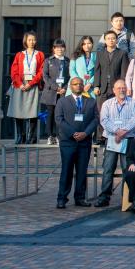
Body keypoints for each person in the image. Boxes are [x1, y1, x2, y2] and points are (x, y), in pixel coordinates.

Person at [54, 77, 97, 208]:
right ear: (70, 86)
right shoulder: (62, 101)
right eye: (75, 84)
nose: (78, 86)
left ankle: (80, 198)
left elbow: (95, 119)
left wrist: (85, 133)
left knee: (82, 171)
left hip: (84, 142)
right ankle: (62, 198)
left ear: (83, 86)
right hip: (68, 142)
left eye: (80, 84)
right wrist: (72, 133)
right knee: (66, 170)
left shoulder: (91, 101)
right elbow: (59, 119)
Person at [96, 80, 135, 207]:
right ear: (114, 90)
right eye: (119, 88)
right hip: (111, 139)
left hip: (128, 139)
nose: (122, 90)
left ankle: (126, 197)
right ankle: (104, 197)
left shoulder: (134, 103)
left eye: (123, 87)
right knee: (108, 168)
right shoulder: (107, 104)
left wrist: (123, 131)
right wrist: (117, 131)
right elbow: (104, 120)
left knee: (127, 169)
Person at [9, 30, 45, 144]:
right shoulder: (19, 55)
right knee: (18, 110)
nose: (32, 42)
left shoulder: (40, 54)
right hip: (20, 85)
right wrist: (20, 84)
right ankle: (21, 135)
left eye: (34, 40)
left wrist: (31, 83)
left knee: (32, 111)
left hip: (33, 84)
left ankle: (31, 136)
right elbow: (14, 71)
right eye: (29, 40)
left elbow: (41, 72)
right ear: (25, 41)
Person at [41, 39, 70, 145]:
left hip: (63, 92)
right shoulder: (48, 60)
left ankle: (59, 135)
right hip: (51, 92)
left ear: (64, 48)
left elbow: (70, 76)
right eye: (57, 47)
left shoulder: (67, 61)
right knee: (50, 114)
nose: (59, 49)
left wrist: (65, 88)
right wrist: (55, 87)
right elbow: (45, 76)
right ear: (53, 49)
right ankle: (50, 136)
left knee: (61, 114)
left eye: (62, 47)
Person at [94, 30, 129, 107]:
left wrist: (121, 85)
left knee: (115, 109)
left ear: (117, 40)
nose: (111, 40)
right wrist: (96, 86)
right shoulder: (100, 53)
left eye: (113, 38)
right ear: (105, 41)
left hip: (116, 87)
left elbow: (124, 71)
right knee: (101, 109)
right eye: (108, 38)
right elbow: (97, 71)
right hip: (103, 88)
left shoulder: (122, 53)